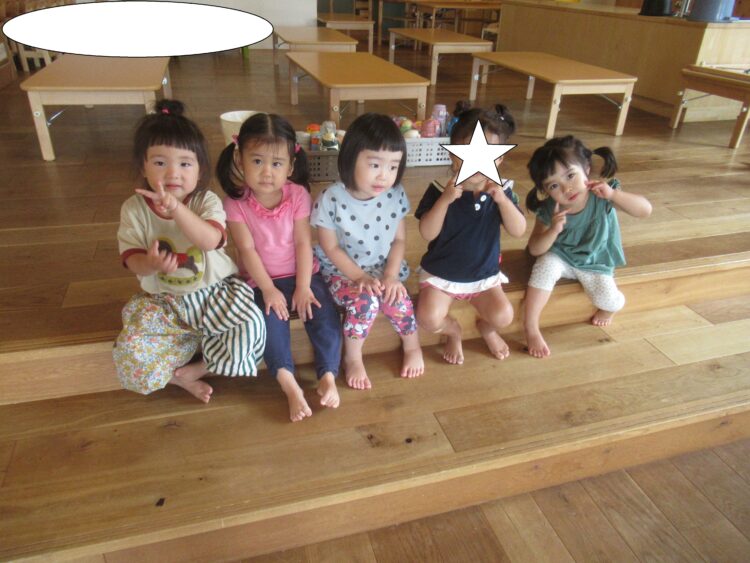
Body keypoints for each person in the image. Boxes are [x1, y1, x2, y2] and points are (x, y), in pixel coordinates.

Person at [113, 99, 266, 402]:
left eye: (185, 163)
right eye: (160, 163)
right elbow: (132, 260)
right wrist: (151, 263)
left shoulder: (205, 201)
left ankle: (198, 368)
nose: (173, 173)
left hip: (214, 293)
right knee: (131, 347)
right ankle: (176, 377)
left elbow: (210, 240)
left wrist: (176, 209)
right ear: (143, 166)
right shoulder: (133, 209)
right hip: (164, 301)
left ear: (199, 170)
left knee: (252, 325)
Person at [217, 113, 342, 422]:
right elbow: (246, 249)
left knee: (324, 314)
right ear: (239, 159)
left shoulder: (298, 194)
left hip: (302, 273)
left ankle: (328, 375)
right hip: (261, 281)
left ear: (290, 165)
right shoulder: (235, 203)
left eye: (276, 163)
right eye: (257, 161)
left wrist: (303, 286)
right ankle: (289, 384)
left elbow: (302, 243)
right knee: (270, 323)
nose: (266, 172)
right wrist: (269, 289)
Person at [311, 113, 424, 390]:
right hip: (343, 271)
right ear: (351, 158)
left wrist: (391, 276)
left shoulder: (395, 194)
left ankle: (412, 346)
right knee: (366, 302)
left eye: (393, 166)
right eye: (374, 164)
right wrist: (359, 277)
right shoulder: (331, 198)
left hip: (383, 267)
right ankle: (352, 357)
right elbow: (330, 247)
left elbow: (399, 241)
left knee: (398, 298)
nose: (384, 175)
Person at [415, 103, 526, 365]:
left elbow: (518, 230)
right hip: (442, 274)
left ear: (499, 159)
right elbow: (427, 233)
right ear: (453, 156)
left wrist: (503, 201)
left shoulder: (502, 191)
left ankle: (487, 328)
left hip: (483, 275)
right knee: (428, 319)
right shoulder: (439, 189)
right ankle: (453, 330)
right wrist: (445, 200)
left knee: (504, 316)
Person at [524, 135, 652, 358]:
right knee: (544, 265)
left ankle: (610, 310)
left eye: (570, 176)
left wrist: (614, 194)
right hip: (562, 256)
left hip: (595, 261)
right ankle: (531, 326)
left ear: (586, 168)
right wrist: (553, 230)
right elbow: (535, 249)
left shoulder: (602, 195)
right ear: (545, 190)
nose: (566, 188)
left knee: (609, 301)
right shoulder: (550, 208)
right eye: (554, 185)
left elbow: (645, 210)